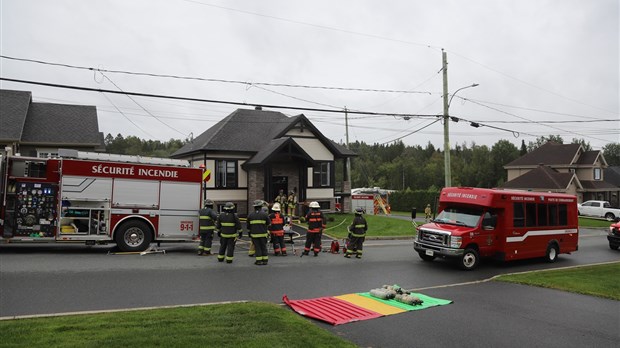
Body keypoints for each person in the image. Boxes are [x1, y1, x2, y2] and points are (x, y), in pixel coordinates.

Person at [247, 199, 270, 265]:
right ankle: (265, 260)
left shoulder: (250, 215)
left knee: (257, 247)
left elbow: (248, 226)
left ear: (254, 207)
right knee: (263, 247)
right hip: (263, 234)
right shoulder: (265, 214)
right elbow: (269, 224)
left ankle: (259, 261)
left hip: (254, 235)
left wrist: (249, 234)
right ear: (261, 206)